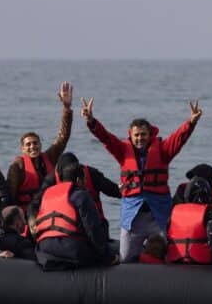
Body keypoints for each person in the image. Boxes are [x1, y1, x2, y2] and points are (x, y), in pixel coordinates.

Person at [82, 96, 203, 262]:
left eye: (143, 134)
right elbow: (106, 138)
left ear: (150, 134)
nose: (140, 138)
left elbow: (179, 138)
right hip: (133, 217)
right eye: (136, 135)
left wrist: (191, 122)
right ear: (131, 136)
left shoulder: (163, 150)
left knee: (167, 257)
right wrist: (91, 121)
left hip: (158, 215)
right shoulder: (122, 151)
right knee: (125, 258)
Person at [33, 162, 115, 270]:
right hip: (71, 249)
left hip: (44, 248)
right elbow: (92, 229)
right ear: (78, 180)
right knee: (102, 226)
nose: (86, 182)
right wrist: (107, 256)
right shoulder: (82, 195)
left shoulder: (47, 194)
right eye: (84, 179)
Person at [7, 82, 74, 210]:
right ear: (22, 149)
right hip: (27, 215)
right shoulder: (17, 167)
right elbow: (11, 196)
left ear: (40, 145)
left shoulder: (50, 157)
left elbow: (63, 136)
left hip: (50, 212)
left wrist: (66, 108)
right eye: (28, 144)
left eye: (35, 143)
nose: (33, 146)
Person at [27, 152, 121, 230]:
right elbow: (34, 204)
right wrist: (32, 221)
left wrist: (126, 188)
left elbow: (115, 190)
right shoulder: (51, 180)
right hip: (63, 226)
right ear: (59, 174)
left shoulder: (92, 175)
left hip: (94, 223)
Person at [166, 177, 212, 267]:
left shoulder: (174, 211)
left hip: (175, 261)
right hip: (202, 264)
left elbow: (167, 235)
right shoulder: (209, 212)